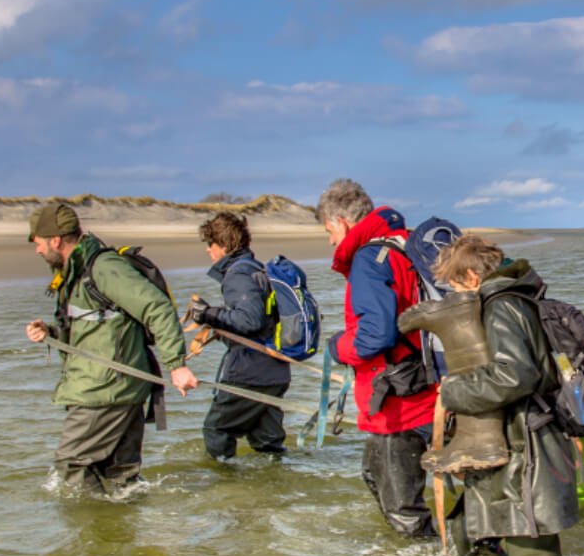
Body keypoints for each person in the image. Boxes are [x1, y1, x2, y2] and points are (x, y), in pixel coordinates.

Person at [433, 234, 579, 556]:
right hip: (525, 438)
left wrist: (453, 391)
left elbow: (515, 374)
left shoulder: (500, 304)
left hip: (529, 445)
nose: (455, 299)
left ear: (471, 277)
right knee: (469, 530)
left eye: (455, 287)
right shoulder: (520, 296)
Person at [25, 201, 198, 493]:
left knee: (71, 467)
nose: (37, 250)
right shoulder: (78, 269)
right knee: (120, 480)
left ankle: (88, 534)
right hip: (118, 387)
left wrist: (176, 365)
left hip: (104, 392)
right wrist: (52, 332)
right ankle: (123, 534)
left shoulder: (102, 267)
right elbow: (100, 324)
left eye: (38, 243)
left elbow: (156, 307)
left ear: (55, 240)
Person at [316, 178, 437, 537]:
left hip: (398, 404)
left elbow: (376, 335)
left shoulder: (369, 258)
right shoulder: (405, 244)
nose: (330, 241)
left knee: (403, 513)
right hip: (425, 388)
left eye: (328, 231)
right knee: (373, 476)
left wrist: (337, 347)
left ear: (341, 222)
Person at [186, 212, 291, 460]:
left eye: (210, 244)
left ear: (223, 245)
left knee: (216, 429)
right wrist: (218, 324)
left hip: (249, 374)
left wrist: (208, 314)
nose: (207, 251)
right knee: (268, 443)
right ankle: (277, 491)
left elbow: (249, 321)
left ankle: (224, 489)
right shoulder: (257, 270)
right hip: (274, 372)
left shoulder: (239, 275)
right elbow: (257, 324)